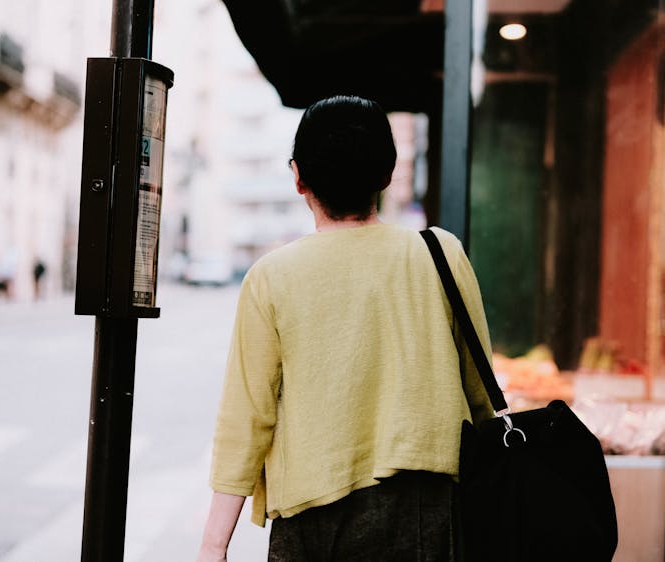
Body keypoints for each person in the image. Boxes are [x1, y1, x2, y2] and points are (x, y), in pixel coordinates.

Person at [196, 95, 494, 562]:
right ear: (387, 175)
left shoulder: (272, 277)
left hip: (312, 516)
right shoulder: (441, 254)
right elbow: (481, 394)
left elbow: (247, 417)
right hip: (428, 507)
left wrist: (215, 543)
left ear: (298, 177)